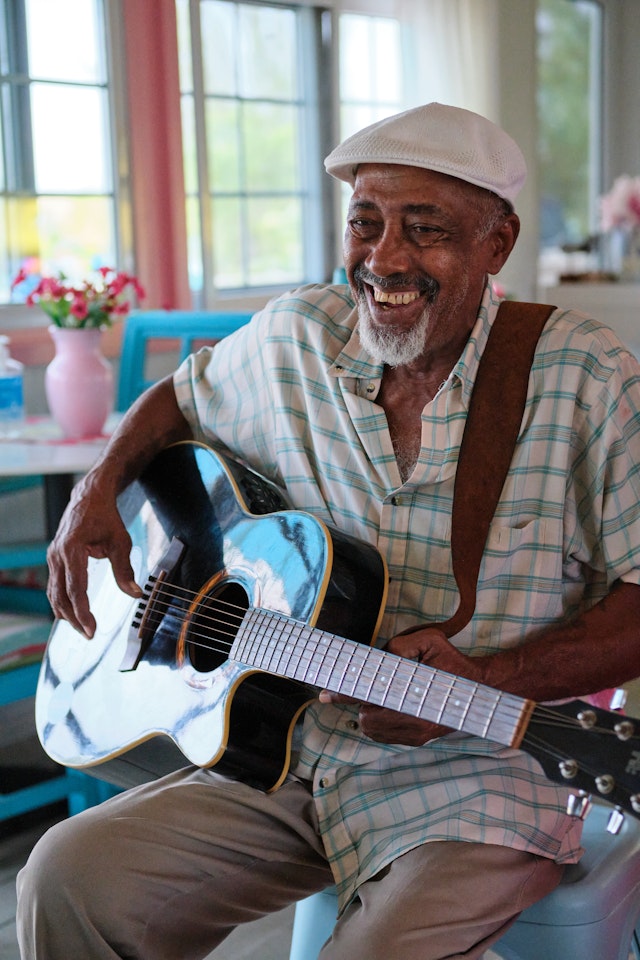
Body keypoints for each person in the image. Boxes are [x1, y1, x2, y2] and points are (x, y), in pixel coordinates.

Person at [17, 102, 640, 960]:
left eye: (426, 231)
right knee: (66, 877)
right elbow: (178, 398)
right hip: (290, 753)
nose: (384, 258)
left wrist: (491, 676)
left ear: (497, 246)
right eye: (366, 223)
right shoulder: (298, 335)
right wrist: (100, 483)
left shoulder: (583, 375)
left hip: (485, 768)